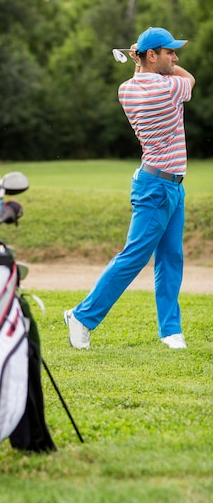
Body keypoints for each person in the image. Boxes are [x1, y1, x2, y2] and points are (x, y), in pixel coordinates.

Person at [64, 26, 196, 350]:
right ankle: (82, 316)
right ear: (152, 55)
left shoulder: (126, 89)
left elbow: (143, 76)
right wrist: (141, 56)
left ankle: (170, 330)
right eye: (169, 52)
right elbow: (189, 78)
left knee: (171, 257)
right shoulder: (170, 89)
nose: (176, 58)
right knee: (133, 257)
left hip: (167, 183)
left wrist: (140, 59)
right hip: (157, 188)